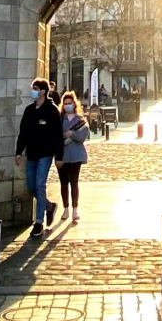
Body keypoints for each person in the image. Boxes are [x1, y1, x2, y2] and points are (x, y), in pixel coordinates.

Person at [16, 76, 63, 234]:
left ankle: (39, 222)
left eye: (36, 89)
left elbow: (57, 135)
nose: (33, 92)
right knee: (31, 186)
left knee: (40, 185)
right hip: (31, 153)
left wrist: (59, 156)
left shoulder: (52, 111)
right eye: (33, 89)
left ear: (43, 92)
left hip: (45, 153)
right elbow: (23, 132)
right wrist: (18, 152)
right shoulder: (29, 110)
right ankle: (49, 206)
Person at [55, 89, 90, 223]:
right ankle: (65, 208)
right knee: (64, 183)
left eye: (70, 103)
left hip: (76, 155)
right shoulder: (59, 120)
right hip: (62, 155)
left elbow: (83, 136)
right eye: (65, 103)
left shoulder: (80, 120)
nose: (67, 105)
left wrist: (72, 134)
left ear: (74, 104)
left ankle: (75, 209)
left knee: (74, 182)